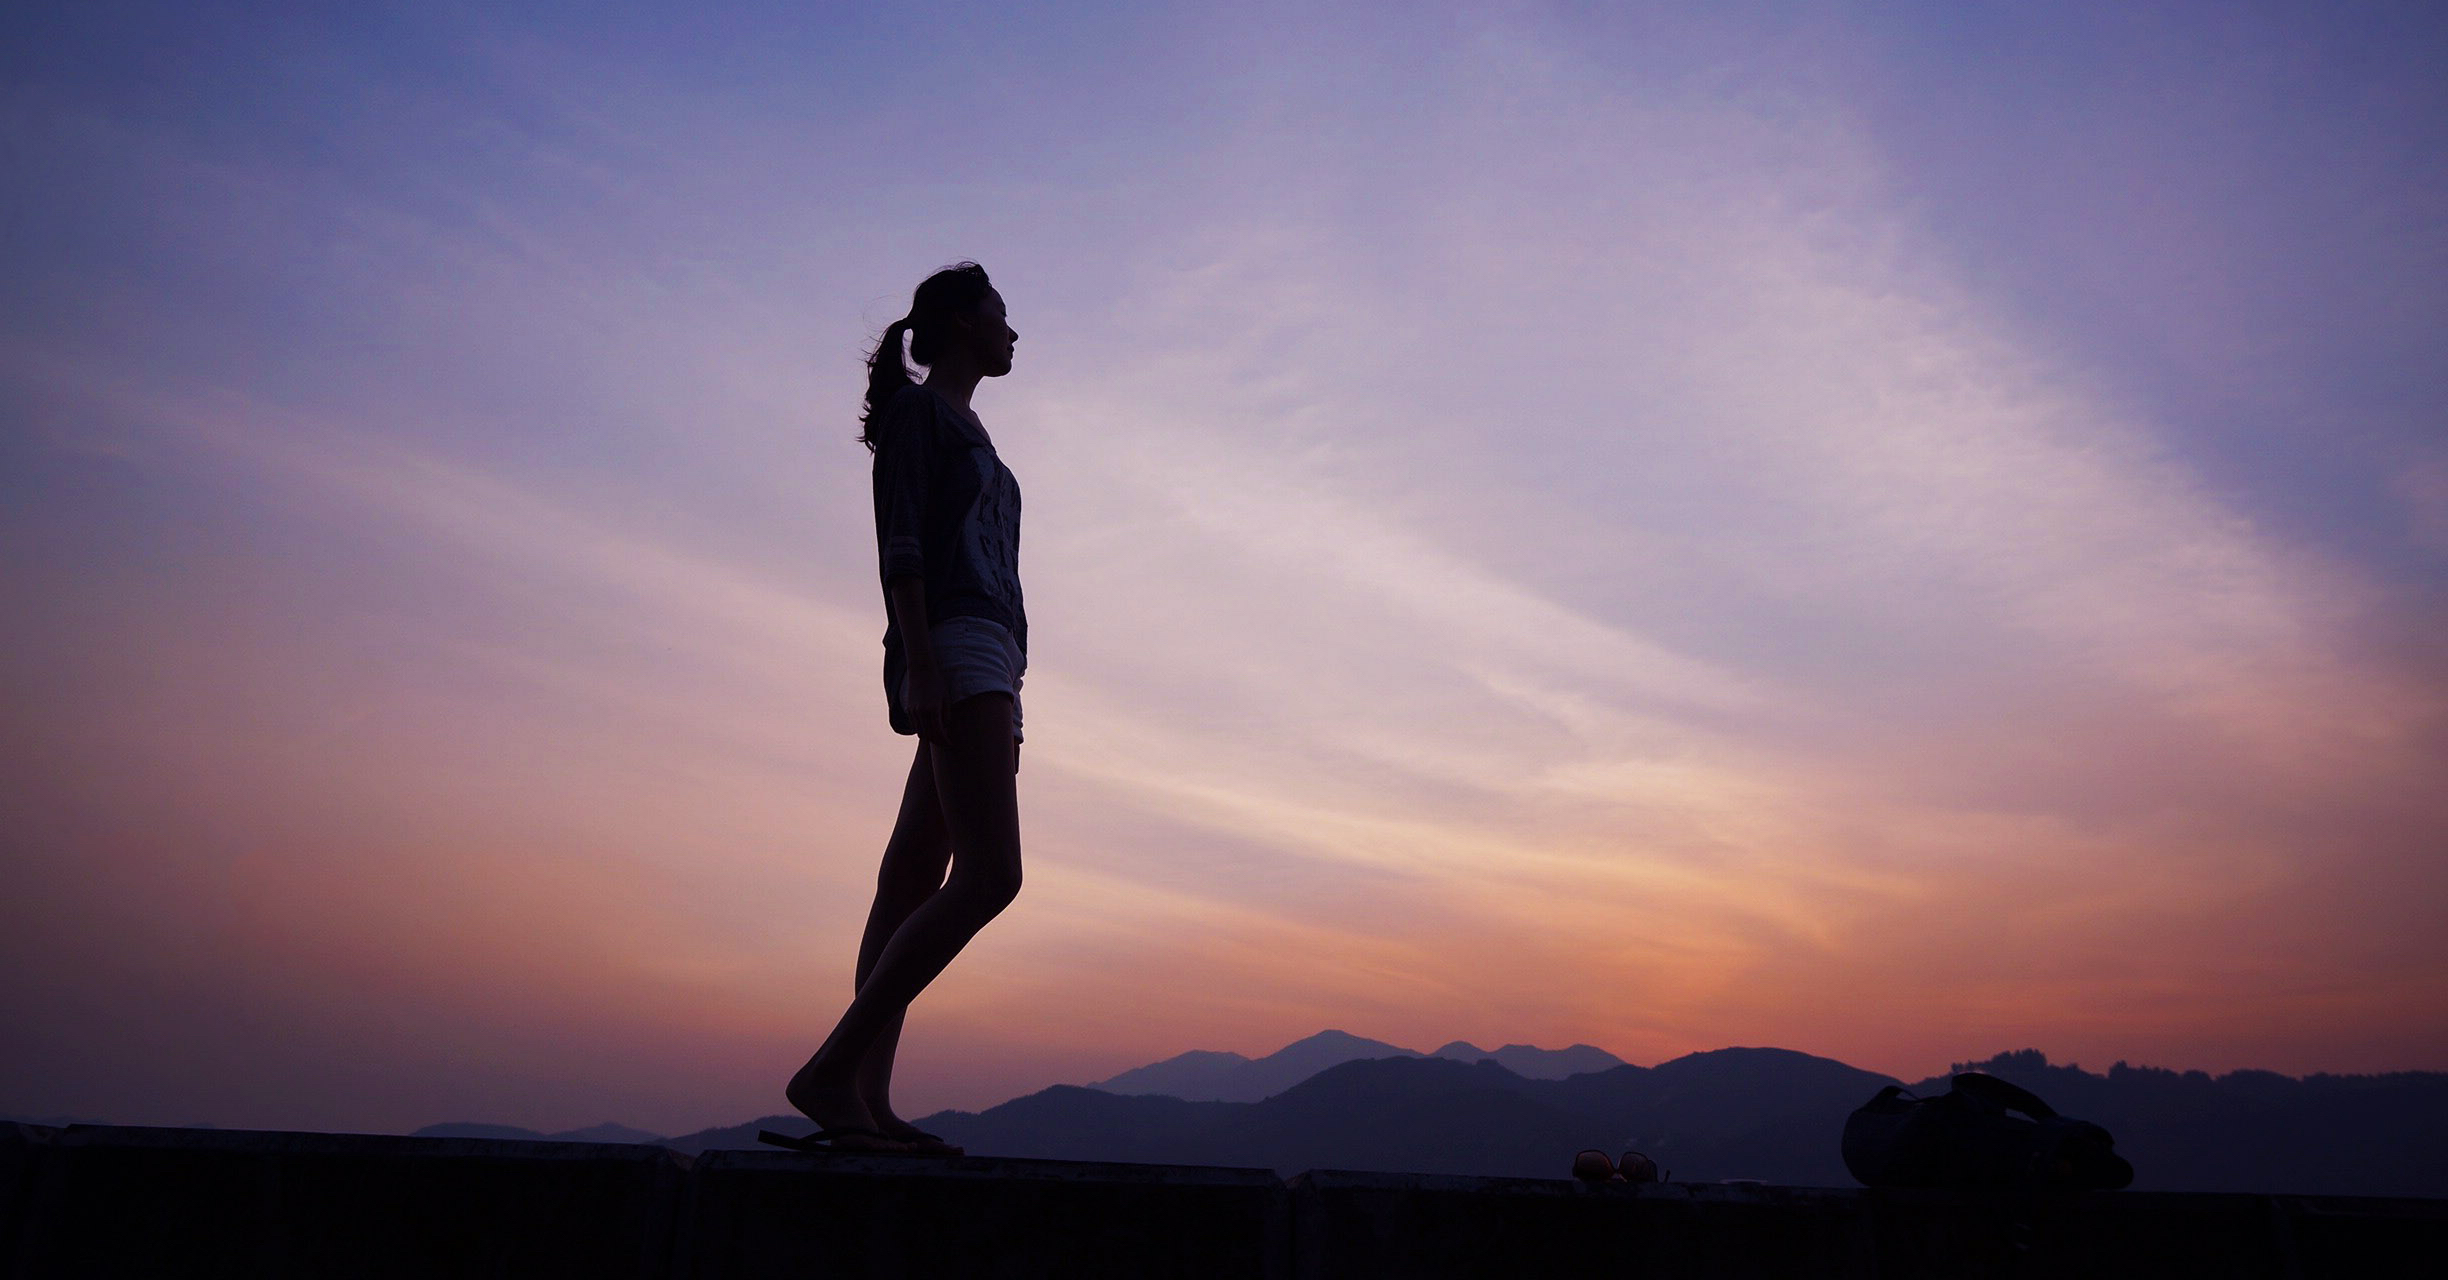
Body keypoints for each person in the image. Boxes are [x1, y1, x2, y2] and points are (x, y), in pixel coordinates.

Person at [785, 262, 1024, 1155]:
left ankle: (866, 1107)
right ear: (964, 324)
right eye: (1002, 314)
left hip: (990, 657)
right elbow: (904, 545)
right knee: (993, 876)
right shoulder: (919, 419)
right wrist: (921, 661)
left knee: (911, 881)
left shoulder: (974, 434)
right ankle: (830, 1073)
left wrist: (1008, 677)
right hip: (955, 651)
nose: (1013, 331)